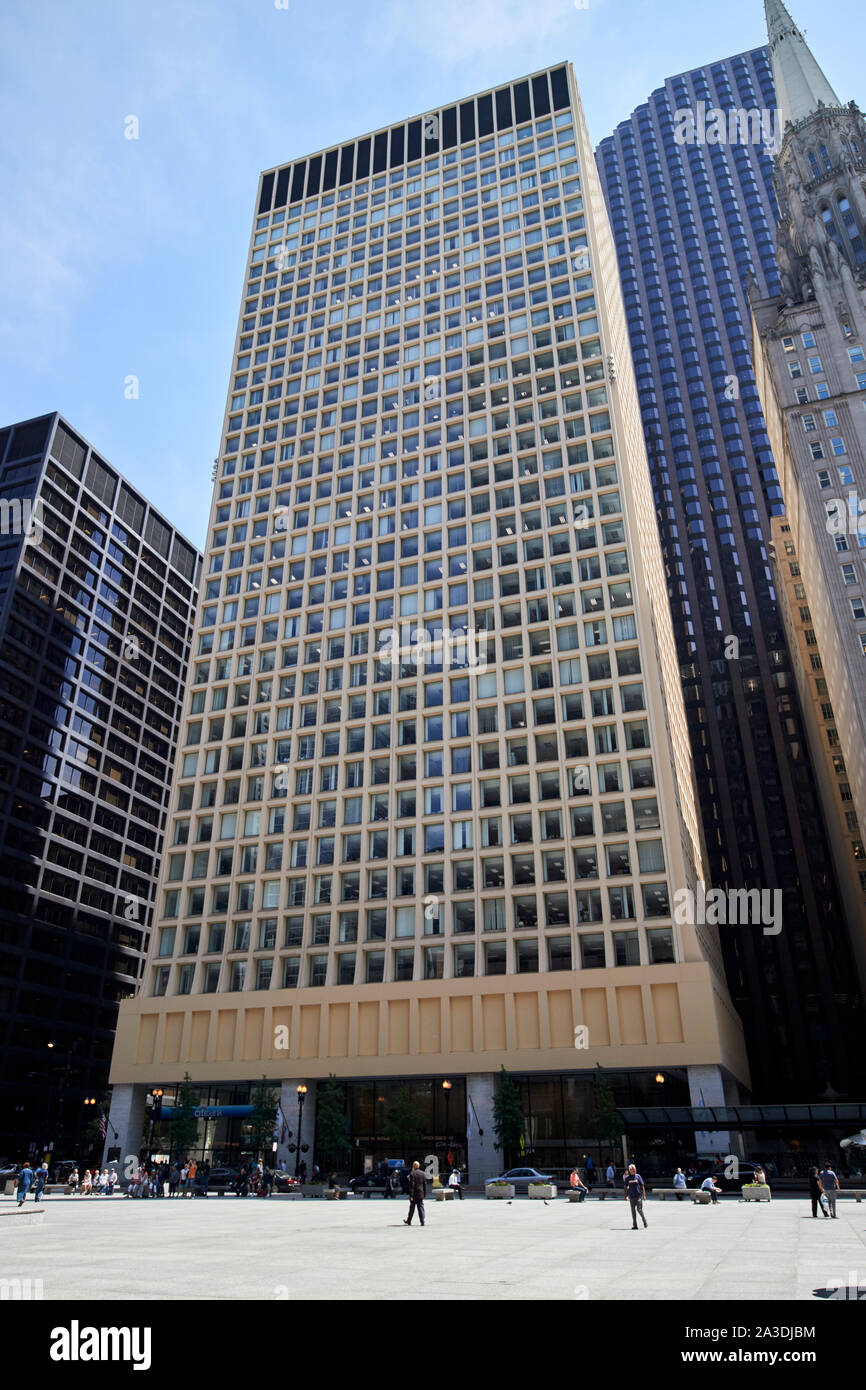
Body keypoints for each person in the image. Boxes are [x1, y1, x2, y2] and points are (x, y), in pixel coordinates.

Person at [624, 1164, 648, 1229]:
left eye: (634, 1169)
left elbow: (642, 1186)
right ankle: (635, 1225)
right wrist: (625, 1196)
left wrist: (644, 1195)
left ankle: (644, 1221)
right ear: (630, 1170)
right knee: (633, 1211)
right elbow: (625, 1187)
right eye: (632, 1169)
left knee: (639, 1209)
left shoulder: (638, 1176)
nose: (634, 1170)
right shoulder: (627, 1178)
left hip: (638, 1196)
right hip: (631, 1197)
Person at [404, 1160, 426, 1226]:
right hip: (420, 1193)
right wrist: (424, 1194)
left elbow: (412, 1185)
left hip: (414, 1194)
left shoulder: (412, 1173)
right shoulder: (423, 1173)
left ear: (413, 1166)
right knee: (420, 1207)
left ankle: (409, 1221)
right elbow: (424, 1184)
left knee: (412, 1208)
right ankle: (422, 1221)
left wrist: (411, 1195)